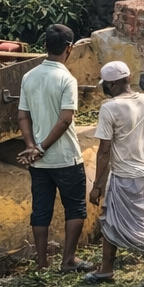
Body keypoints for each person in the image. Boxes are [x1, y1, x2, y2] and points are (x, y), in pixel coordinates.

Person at [86, 60, 144, 287]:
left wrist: (96, 185)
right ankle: (106, 269)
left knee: (141, 227)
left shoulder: (110, 108)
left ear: (110, 85)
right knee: (110, 220)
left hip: (126, 176)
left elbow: (104, 151)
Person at [16, 24, 91, 272]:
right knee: (75, 208)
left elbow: (23, 116)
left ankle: (41, 263)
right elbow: (66, 119)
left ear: (45, 46)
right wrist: (42, 147)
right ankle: (68, 260)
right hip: (65, 157)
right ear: (69, 48)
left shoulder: (29, 76)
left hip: (38, 162)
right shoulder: (66, 79)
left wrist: (31, 147)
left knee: (41, 210)